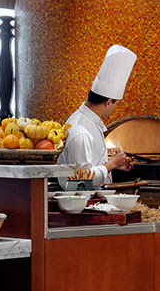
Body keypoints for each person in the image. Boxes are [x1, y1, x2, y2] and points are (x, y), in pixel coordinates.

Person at [58, 44, 137, 187]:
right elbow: (81, 180)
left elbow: (91, 166)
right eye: (117, 103)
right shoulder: (81, 131)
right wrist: (111, 164)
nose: (115, 108)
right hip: (81, 199)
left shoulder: (89, 122)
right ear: (108, 102)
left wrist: (114, 165)